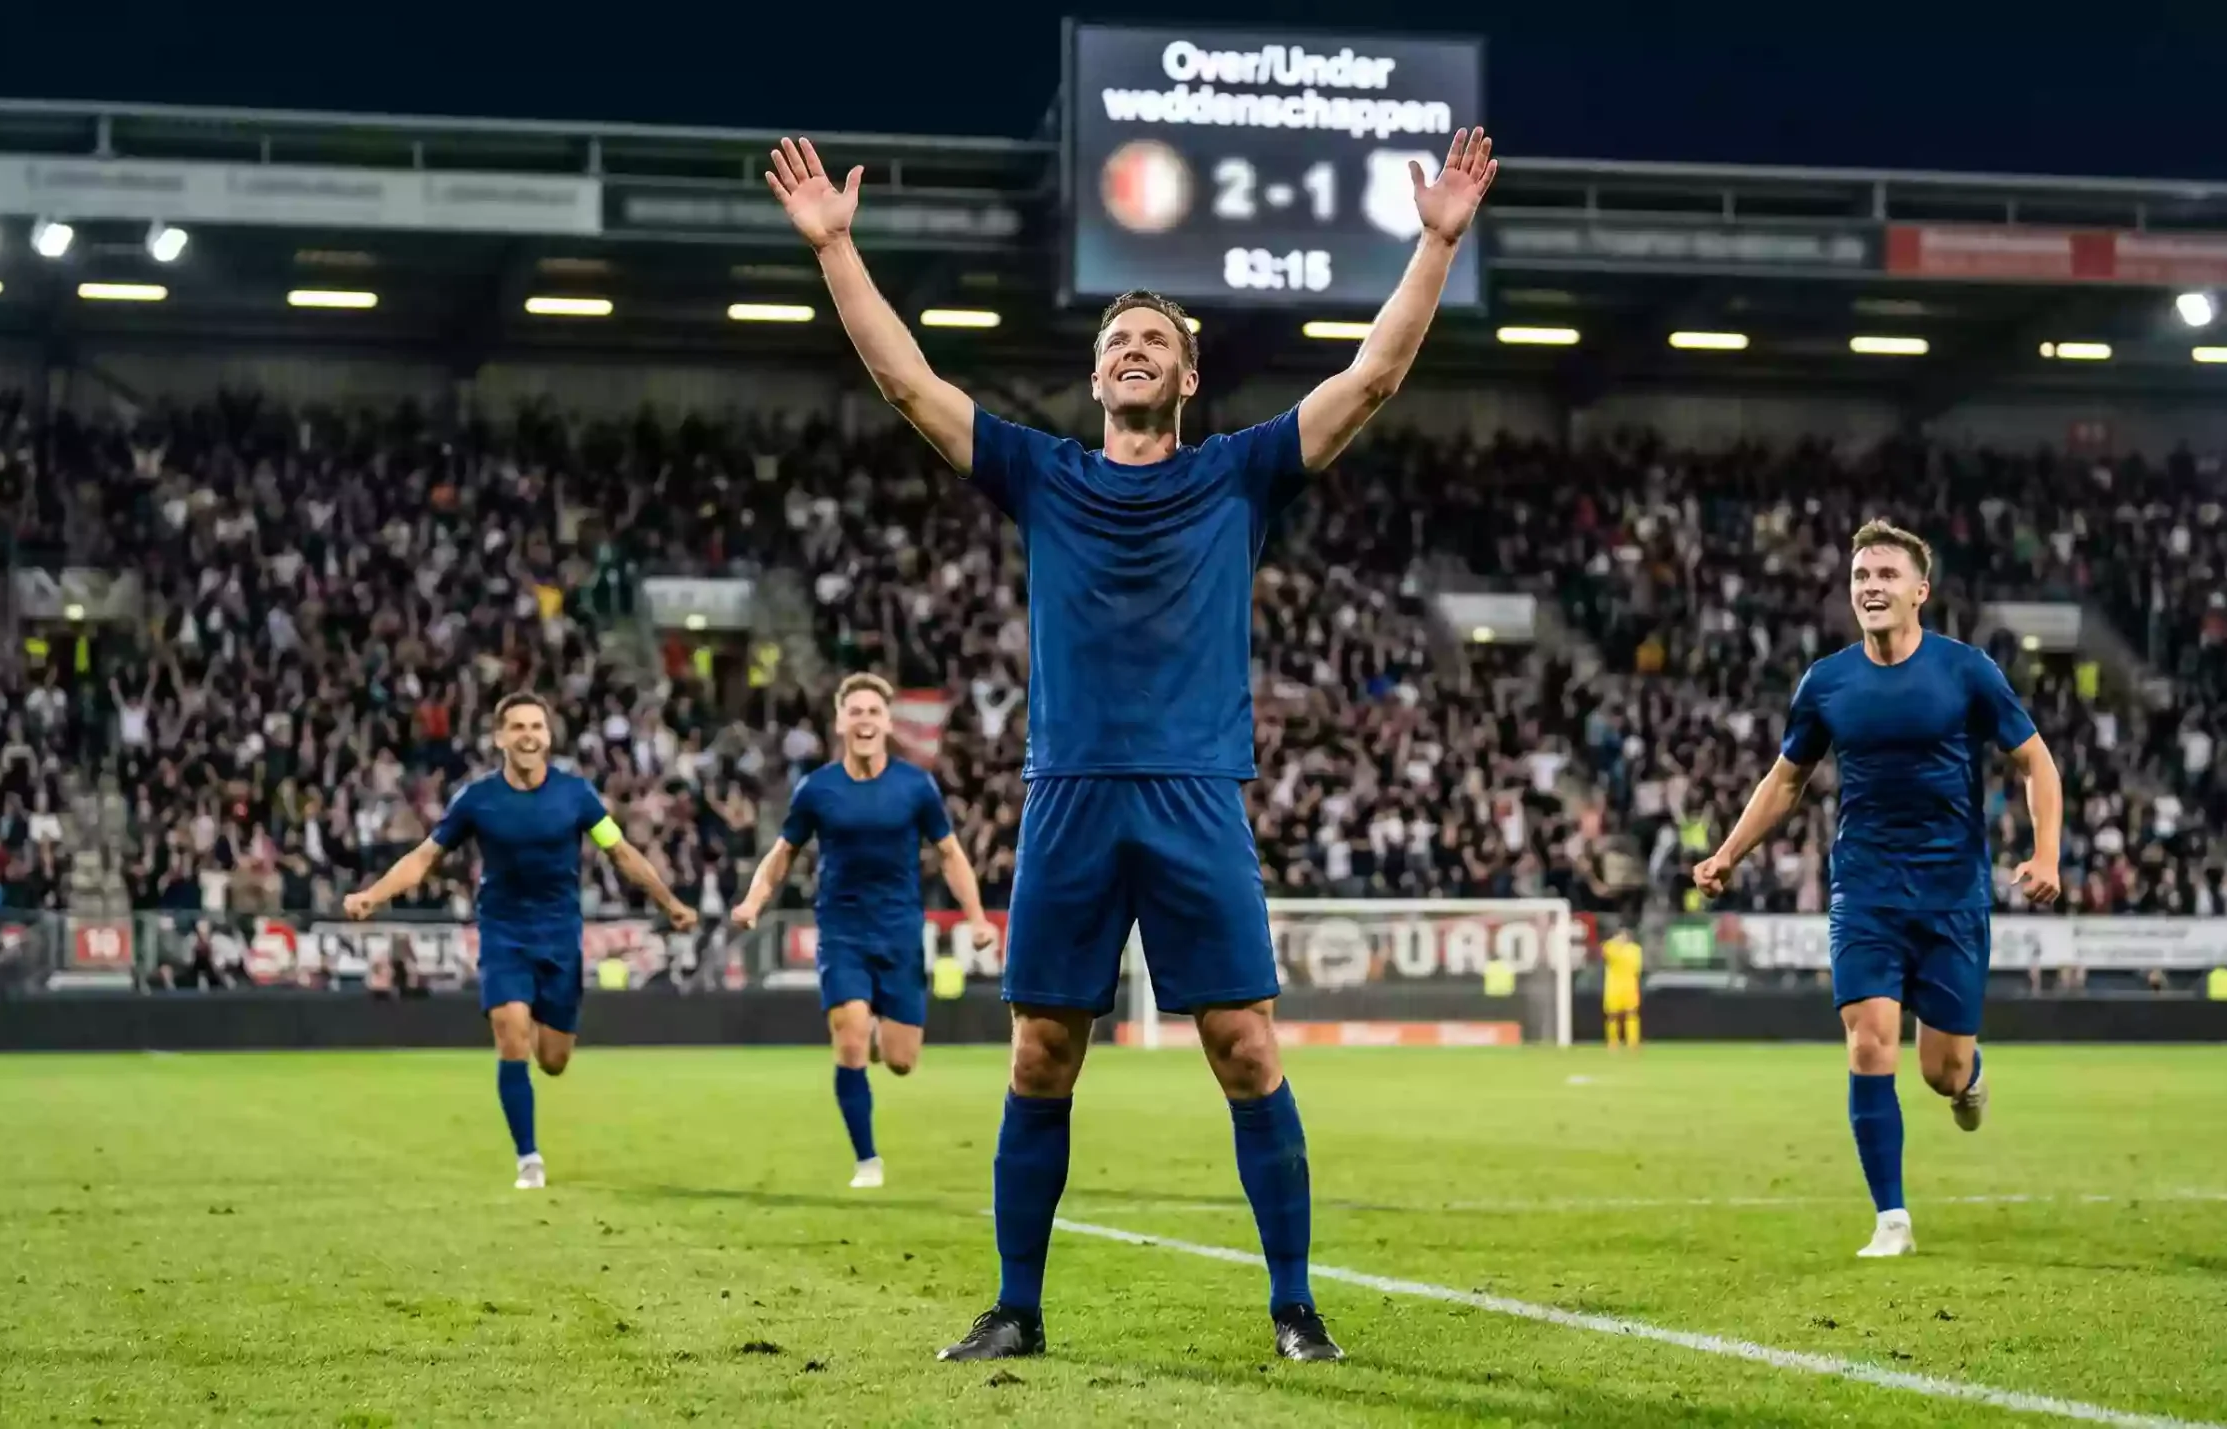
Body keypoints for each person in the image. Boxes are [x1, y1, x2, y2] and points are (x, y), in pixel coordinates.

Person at [766, 127, 1497, 1363]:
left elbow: (1368, 379)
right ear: (1097, 380)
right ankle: (1015, 1307)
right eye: (1115, 343)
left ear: (1186, 375)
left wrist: (1432, 246)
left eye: (1152, 339)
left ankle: (1293, 1305)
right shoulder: (1041, 473)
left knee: (1243, 1044)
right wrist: (838, 252)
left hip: (1196, 797)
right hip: (1068, 799)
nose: (1131, 350)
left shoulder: (1238, 475)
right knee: (1042, 1050)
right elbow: (909, 385)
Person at [1692, 521, 2063, 1258]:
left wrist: (2047, 851)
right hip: (1864, 891)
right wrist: (1729, 852)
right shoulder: (1827, 682)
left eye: (1887, 574)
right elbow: (1786, 779)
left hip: (1952, 894)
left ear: (1920, 591)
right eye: (1861, 574)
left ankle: (1969, 1076)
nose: (1871, 585)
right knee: (1869, 1044)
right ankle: (1891, 1217)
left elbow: (2036, 761)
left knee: (1941, 1068)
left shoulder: (1966, 671)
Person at [344, 692, 697, 1190]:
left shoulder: (576, 795)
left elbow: (620, 853)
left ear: (548, 736)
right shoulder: (477, 799)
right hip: (503, 932)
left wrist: (670, 902)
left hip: (560, 937)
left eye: (536, 726)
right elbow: (425, 858)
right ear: (500, 737)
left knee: (553, 1060)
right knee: (510, 1032)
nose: (528, 735)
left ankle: (536, 1021)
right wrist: (372, 895)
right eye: (517, 727)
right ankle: (528, 1158)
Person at [729, 672, 998, 1190]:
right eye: (856, 712)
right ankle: (866, 1160)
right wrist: (754, 901)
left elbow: (949, 853)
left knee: (899, 1060)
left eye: (874, 712)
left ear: (887, 722)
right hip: (842, 932)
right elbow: (783, 854)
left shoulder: (914, 786)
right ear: (841, 722)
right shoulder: (818, 789)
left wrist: (978, 917)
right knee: (849, 1039)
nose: (865, 721)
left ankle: (877, 1028)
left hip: (899, 934)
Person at [1600, 923, 1643, 1051]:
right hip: (1613, 986)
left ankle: (1633, 1042)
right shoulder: (1610, 947)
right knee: (1612, 1015)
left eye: (1624, 936)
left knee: (1632, 1014)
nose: (1622, 938)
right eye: (1619, 935)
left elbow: (1637, 967)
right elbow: (1605, 952)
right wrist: (1614, 943)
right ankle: (1613, 1042)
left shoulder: (1635, 950)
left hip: (1630, 986)